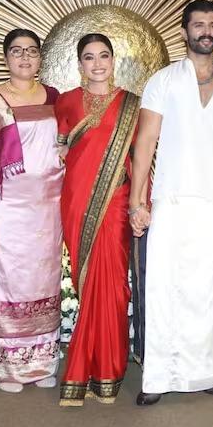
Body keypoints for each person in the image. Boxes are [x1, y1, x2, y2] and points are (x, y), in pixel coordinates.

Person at [128, 0, 213, 406]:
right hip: (172, 201)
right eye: (198, 24)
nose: (206, 31)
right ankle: (158, 377)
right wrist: (137, 201)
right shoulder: (163, 81)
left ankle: (206, 373)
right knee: (165, 289)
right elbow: (145, 141)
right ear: (184, 31)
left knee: (209, 292)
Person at [0, 29, 63, 393]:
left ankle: (42, 364)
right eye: (17, 51)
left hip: (47, 210)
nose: (24, 57)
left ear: (40, 58)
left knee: (44, 281)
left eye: (31, 51)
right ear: (5, 58)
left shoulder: (54, 97)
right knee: (6, 283)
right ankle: (7, 368)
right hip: (5, 210)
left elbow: (66, 143)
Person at [55, 33, 140, 406]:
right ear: (80, 65)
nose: (97, 64)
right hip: (77, 201)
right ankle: (90, 369)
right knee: (88, 284)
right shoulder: (66, 101)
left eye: (104, 55)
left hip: (117, 202)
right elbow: (60, 149)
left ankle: (105, 369)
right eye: (89, 58)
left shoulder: (132, 104)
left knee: (113, 287)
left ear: (113, 60)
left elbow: (142, 158)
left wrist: (140, 202)